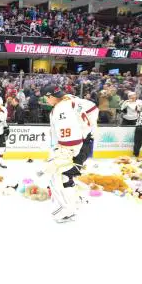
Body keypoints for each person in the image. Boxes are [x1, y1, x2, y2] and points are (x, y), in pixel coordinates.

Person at [41, 85, 92, 223]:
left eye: (46, 98)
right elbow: (93, 108)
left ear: (50, 96)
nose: (46, 100)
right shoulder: (71, 99)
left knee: (58, 176)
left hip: (76, 147)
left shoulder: (61, 108)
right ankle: (73, 203)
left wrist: (66, 153)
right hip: (84, 143)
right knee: (65, 176)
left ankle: (67, 210)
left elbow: (69, 135)